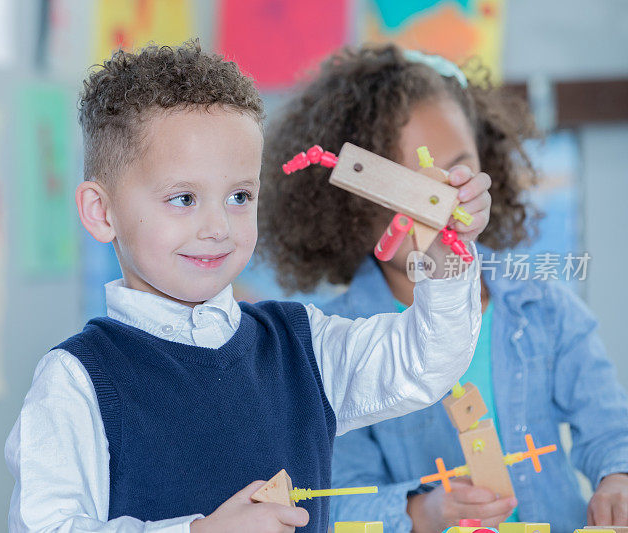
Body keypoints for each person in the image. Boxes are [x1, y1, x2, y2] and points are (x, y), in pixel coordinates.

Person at [5, 40, 492, 533]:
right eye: (184, 198)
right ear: (100, 211)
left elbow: (425, 363)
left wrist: (446, 257)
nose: (218, 226)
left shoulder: (304, 346)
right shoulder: (76, 380)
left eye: (239, 196)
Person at [258, 43, 628, 533]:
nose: (438, 204)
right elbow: (334, 496)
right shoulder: (337, 343)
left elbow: (607, 425)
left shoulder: (542, 306)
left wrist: (617, 479)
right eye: (407, 187)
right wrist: (423, 513)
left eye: (455, 172)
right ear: (348, 212)